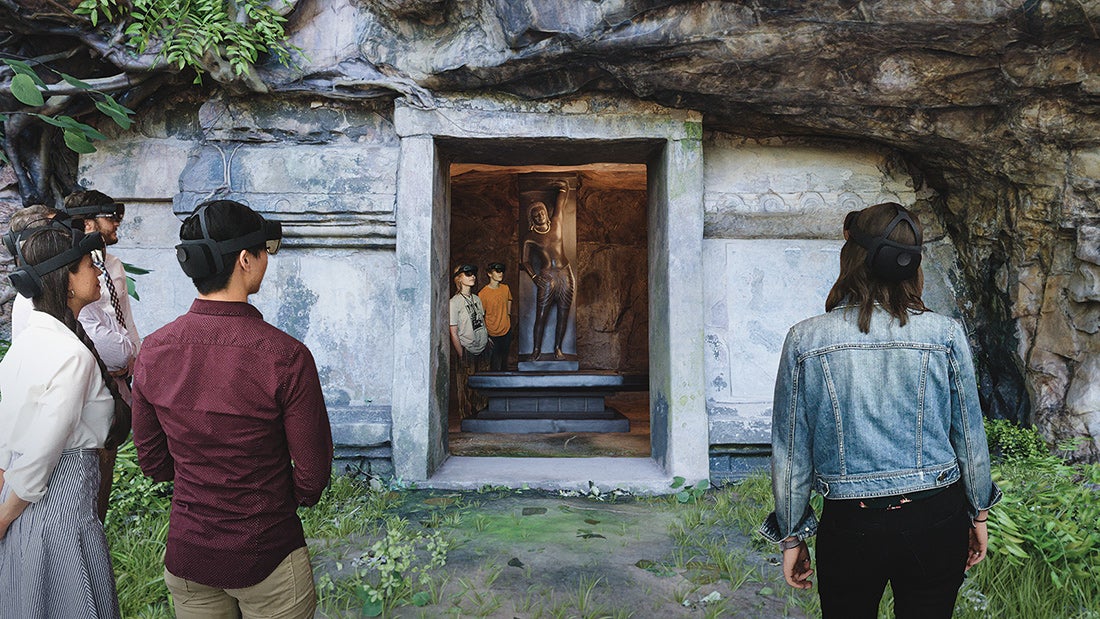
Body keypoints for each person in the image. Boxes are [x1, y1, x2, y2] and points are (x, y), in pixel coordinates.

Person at [759, 202, 1002, 618]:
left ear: (852, 258)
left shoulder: (805, 340)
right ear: (912, 263)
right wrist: (978, 513)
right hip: (936, 519)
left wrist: (792, 537)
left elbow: (791, 454)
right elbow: (969, 434)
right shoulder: (944, 334)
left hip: (851, 524)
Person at [131, 199, 333, 619]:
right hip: (267, 554)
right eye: (264, 250)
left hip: (189, 554)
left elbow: (153, 461)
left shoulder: (153, 350)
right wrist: (273, 502)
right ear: (246, 259)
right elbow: (312, 474)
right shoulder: (284, 355)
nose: (265, 260)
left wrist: (202, 486)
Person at [0, 225, 129, 618]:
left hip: (23, 513)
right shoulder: (71, 355)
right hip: (60, 519)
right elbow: (41, 453)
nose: (98, 270)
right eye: (88, 263)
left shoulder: (27, 341)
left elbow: (9, 440)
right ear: (66, 281)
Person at [61, 190, 141, 523]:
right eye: (111, 215)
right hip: (90, 377)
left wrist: (133, 354)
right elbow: (83, 324)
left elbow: (125, 315)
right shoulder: (72, 269)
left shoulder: (113, 264)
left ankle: (97, 529)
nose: (118, 220)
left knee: (107, 458)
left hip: (121, 378)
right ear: (89, 222)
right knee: (84, 463)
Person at [520, 180, 575, 361]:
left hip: (565, 273)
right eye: (535, 215)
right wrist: (535, 277)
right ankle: (536, 349)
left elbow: (561, 202)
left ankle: (558, 348)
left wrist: (562, 187)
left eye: (542, 212)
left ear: (546, 212)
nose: (540, 216)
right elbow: (525, 261)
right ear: (532, 219)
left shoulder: (557, 222)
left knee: (563, 312)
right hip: (546, 276)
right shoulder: (530, 238)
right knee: (541, 314)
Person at [450, 263, 489, 418]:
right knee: (466, 385)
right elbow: (453, 331)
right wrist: (461, 354)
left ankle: (482, 415)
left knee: (483, 385)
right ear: (458, 278)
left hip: (483, 347)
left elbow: (481, 320)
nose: (472, 276)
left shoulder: (477, 299)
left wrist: (488, 340)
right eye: (467, 274)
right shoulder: (454, 302)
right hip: (467, 349)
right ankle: (467, 418)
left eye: (473, 273)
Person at [479, 261, 513, 371]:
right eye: (497, 271)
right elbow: (481, 316)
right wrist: (486, 335)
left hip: (506, 330)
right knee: (494, 363)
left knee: (504, 362)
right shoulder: (483, 294)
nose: (500, 273)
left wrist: (507, 317)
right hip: (492, 332)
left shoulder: (505, 288)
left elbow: (509, 300)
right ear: (489, 274)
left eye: (502, 271)